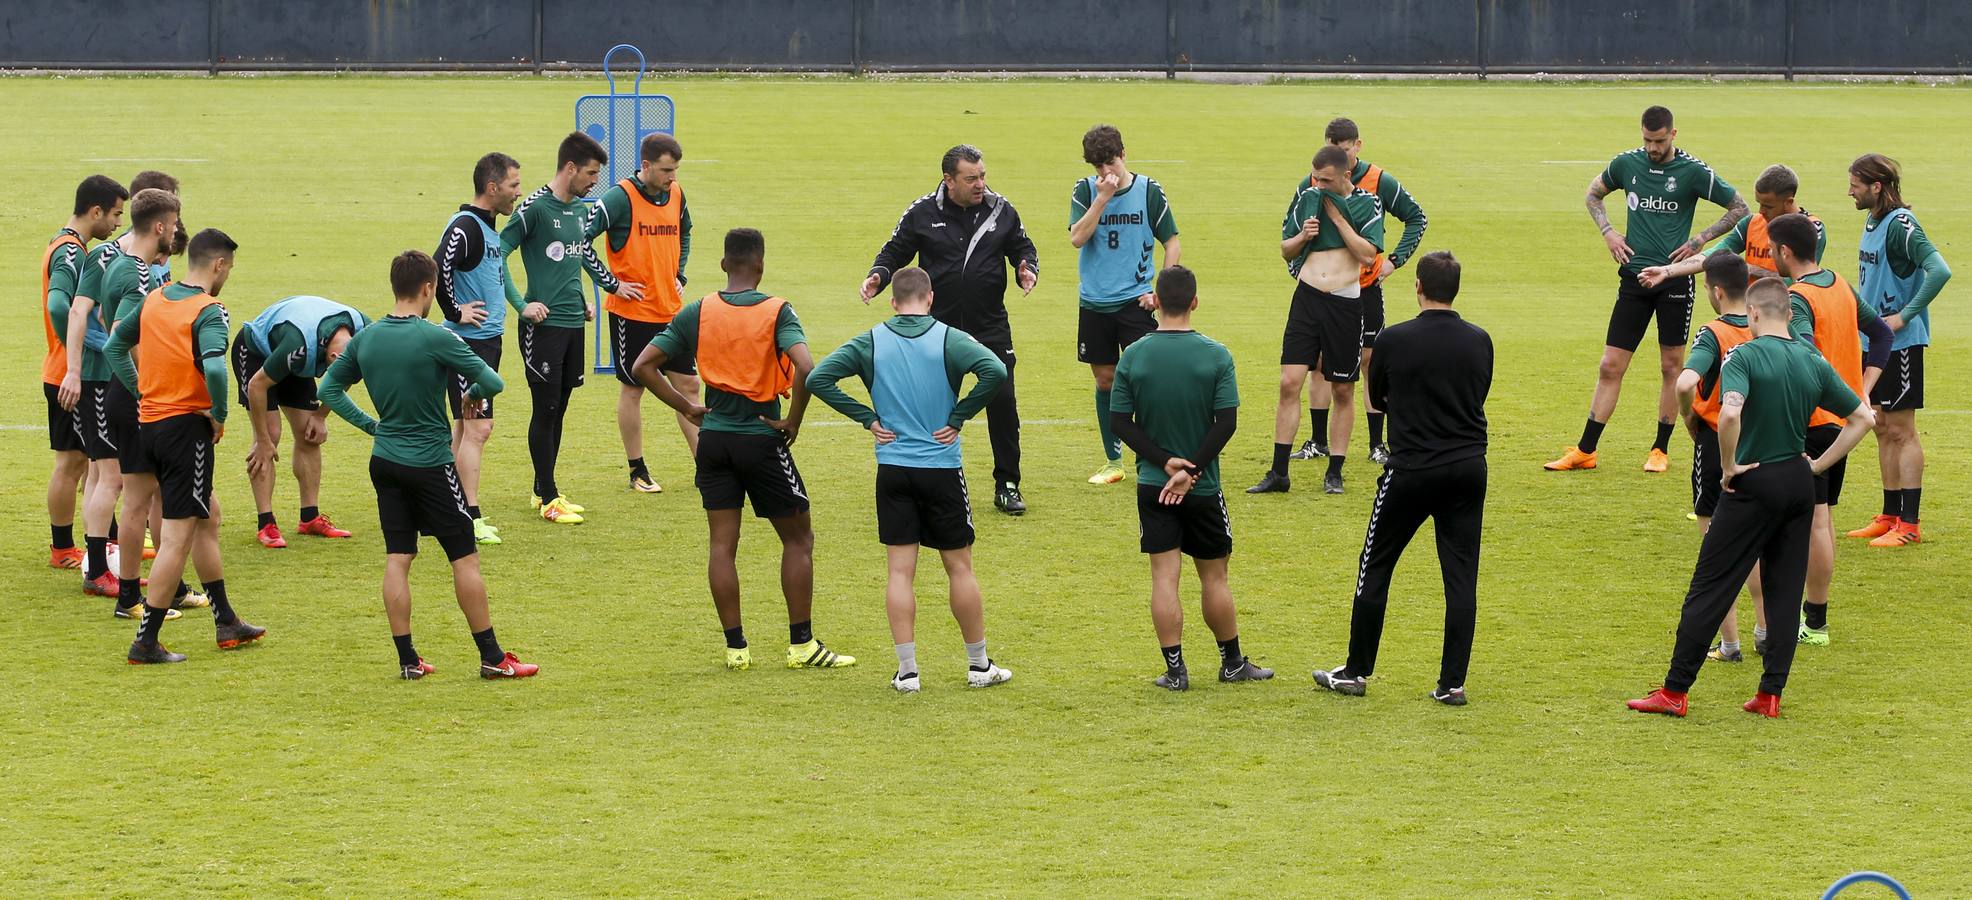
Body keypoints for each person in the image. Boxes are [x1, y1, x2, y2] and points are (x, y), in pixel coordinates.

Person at [1628, 278, 1874, 719]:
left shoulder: (1742, 355)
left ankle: (1675, 691)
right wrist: (1817, 466)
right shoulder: (1812, 359)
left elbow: (1730, 411)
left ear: (1755, 314)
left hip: (1754, 479)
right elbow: (1862, 418)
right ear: (1790, 314)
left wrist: (1728, 467)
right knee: (1785, 587)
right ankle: (1770, 694)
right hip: (1799, 482)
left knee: (1711, 583)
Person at [630, 228, 855, 672]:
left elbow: (643, 366)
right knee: (798, 538)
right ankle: (802, 645)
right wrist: (793, 421)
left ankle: (736, 649)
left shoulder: (699, 310)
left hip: (713, 439)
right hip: (760, 439)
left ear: (723, 265)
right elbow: (808, 368)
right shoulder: (776, 312)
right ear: (761, 266)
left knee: (721, 545)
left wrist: (689, 407)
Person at [321, 250, 538, 681]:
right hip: (432, 464)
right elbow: (493, 381)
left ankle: (408, 661)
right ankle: (493, 657)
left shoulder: (365, 338)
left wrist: (371, 425)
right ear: (428, 288)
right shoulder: (436, 336)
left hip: (385, 461)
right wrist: (472, 394)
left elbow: (329, 389)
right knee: (465, 559)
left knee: (398, 558)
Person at [808, 267, 1012, 693]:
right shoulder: (950, 338)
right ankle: (978, 666)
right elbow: (994, 370)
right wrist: (959, 417)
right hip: (941, 468)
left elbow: (818, 378)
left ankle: (908, 672)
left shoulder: (870, 340)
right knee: (959, 568)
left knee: (900, 573)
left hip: (893, 469)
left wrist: (868, 419)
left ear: (893, 301)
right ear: (931, 298)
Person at [1312, 252, 1490, 706]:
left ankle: (1356, 671)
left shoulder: (1394, 338)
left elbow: (1378, 395)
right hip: (1468, 468)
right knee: (1461, 577)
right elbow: (1478, 391)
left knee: (1375, 566)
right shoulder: (1479, 340)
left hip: (1411, 468)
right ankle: (1452, 683)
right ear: (1456, 288)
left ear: (1418, 286)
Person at [1548, 105, 1748, 474]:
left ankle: (1660, 449)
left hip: (1673, 281)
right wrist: (1608, 232)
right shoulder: (1628, 164)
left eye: (1658, 141)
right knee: (1610, 365)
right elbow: (1593, 194)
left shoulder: (1692, 171)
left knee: (1671, 366)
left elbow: (1739, 207)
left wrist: (1701, 239)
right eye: (1647, 140)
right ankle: (1586, 450)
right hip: (1634, 280)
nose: (1652, 148)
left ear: (1673, 134)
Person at [105, 228, 265, 664]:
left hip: (148, 425)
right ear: (218, 265)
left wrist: (141, 391)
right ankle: (146, 639)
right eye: (228, 268)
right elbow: (215, 367)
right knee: (177, 537)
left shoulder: (156, 297)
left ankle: (225, 619)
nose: (227, 275)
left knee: (205, 515)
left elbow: (116, 347)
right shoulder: (210, 310)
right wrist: (219, 413)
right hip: (184, 432)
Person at [1109, 265, 1271, 692]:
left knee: (1164, 578)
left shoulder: (1134, 355)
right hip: (1203, 488)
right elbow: (1226, 423)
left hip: (1153, 484)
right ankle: (1232, 662)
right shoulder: (1216, 355)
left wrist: (1165, 464)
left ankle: (1175, 670)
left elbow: (1120, 423)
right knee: (1214, 577)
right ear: (1194, 302)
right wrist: (1192, 470)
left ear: (1156, 302)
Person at [862, 144, 1039, 516]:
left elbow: (1022, 245)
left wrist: (1026, 267)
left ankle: (1007, 483)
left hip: (989, 326)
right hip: (936, 329)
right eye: (971, 178)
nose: (981, 185)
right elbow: (895, 251)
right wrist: (878, 276)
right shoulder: (922, 212)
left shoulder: (1000, 209)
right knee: (929, 403)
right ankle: (924, 476)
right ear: (949, 180)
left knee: (1003, 400)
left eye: (983, 176)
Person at [499, 131, 643, 524]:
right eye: (591, 173)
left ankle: (542, 487)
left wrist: (583, 299)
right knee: (545, 409)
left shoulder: (582, 211)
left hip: (571, 324)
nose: (595, 181)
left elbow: (575, 258)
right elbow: (498, 254)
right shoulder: (532, 209)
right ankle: (549, 498)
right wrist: (521, 304)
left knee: (559, 408)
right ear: (570, 167)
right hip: (541, 329)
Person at [1772, 212, 1893, 646]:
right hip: (1841, 423)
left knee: (1810, 523)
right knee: (1821, 520)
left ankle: (1801, 622)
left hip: (1808, 422)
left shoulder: (1798, 298)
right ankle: (1815, 621)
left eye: (1772, 250)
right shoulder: (1838, 283)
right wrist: (1860, 391)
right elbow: (1881, 335)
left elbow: (1806, 354)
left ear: (1785, 251)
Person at [1292, 117, 1430, 466]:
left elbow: (1417, 218)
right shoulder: (1314, 181)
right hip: (1321, 291)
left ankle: (1376, 443)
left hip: (1363, 288)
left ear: (1357, 146)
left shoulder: (1379, 181)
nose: (1339, 161)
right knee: (1319, 363)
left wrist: (1393, 260)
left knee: (1369, 361)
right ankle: (1318, 441)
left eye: (1344, 152)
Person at [1250, 144, 1383, 496]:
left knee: (1342, 388)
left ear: (1345, 176)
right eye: (1316, 178)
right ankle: (1279, 472)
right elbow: (1285, 249)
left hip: (1344, 304)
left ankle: (1334, 471)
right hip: (1307, 299)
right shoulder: (1307, 197)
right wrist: (1302, 237)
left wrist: (1338, 220)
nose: (1318, 185)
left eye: (1326, 180)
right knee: (1289, 382)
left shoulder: (1367, 204)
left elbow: (1368, 256)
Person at [67, 188, 179, 600]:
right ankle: (98, 568)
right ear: (158, 223)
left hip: (119, 376)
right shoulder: (113, 260)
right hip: (107, 378)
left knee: (110, 476)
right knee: (110, 477)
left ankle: (110, 562)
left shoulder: (142, 264)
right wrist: (75, 371)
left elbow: (103, 313)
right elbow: (81, 311)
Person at [1843, 153, 1951, 548]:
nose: (1849, 191)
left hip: (1900, 344)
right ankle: (1889, 515)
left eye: (1855, 184)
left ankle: (1909, 524)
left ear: (1877, 186)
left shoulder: (1901, 225)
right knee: (1881, 427)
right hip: (1873, 342)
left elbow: (1940, 270)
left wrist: (1904, 316)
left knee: (1902, 431)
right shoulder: (1873, 220)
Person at [1071, 124, 1180, 488]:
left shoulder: (1150, 191)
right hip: (1095, 303)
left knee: (1146, 381)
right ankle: (1113, 461)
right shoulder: (1085, 191)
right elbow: (1077, 238)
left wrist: (1161, 293)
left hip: (1136, 302)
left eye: (1111, 163)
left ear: (1124, 154)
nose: (1106, 173)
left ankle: (1155, 457)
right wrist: (1102, 198)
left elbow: (1172, 242)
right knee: (1106, 381)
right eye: (1099, 167)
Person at [590, 132, 700, 494]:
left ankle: (707, 466)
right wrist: (612, 284)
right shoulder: (619, 198)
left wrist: (679, 272)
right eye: (667, 170)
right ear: (647, 165)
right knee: (633, 388)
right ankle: (637, 470)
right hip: (632, 313)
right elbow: (580, 239)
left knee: (689, 384)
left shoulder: (677, 194)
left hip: (671, 311)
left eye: (676, 170)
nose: (673, 177)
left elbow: (685, 231)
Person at [1674, 253, 1769, 662]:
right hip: (1761, 442)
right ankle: (1765, 631)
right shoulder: (1764, 328)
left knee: (1715, 547)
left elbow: (1685, 381)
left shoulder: (1712, 333)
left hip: (1715, 443)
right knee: (1757, 544)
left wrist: (1689, 416)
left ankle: (1729, 644)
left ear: (1714, 290)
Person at [435, 151, 525, 546]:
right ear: (492, 188)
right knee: (479, 428)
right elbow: (437, 267)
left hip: (486, 342)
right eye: (513, 186)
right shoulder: (466, 225)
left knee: (462, 427)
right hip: (466, 344)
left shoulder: (487, 230)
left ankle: (450, 509)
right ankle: (468, 516)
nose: (516, 194)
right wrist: (456, 310)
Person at [234, 295, 368, 548]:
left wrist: (320, 416)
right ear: (335, 356)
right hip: (257, 354)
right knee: (271, 435)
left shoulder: (364, 334)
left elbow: (342, 379)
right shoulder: (298, 346)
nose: (332, 376)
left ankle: (310, 518)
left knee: (310, 433)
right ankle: (266, 524)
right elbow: (257, 385)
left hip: (297, 356)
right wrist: (262, 439)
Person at [44, 175, 127, 571]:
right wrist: (86, 346)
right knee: (74, 462)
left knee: (92, 459)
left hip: (68, 370)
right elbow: (60, 306)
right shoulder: (72, 253)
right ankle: (63, 547)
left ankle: (106, 541)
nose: (115, 224)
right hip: (68, 373)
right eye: (113, 214)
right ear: (95, 211)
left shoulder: (66, 245)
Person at [1638, 163, 1824, 288]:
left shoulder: (1811, 229)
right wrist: (1666, 271)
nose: (1761, 211)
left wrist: (1750, 269)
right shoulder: (1752, 223)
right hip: (1753, 318)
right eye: (1758, 203)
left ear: (1788, 201)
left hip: (1790, 320)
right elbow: (1713, 254)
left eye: (1768, 206)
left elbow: (1800, 281)